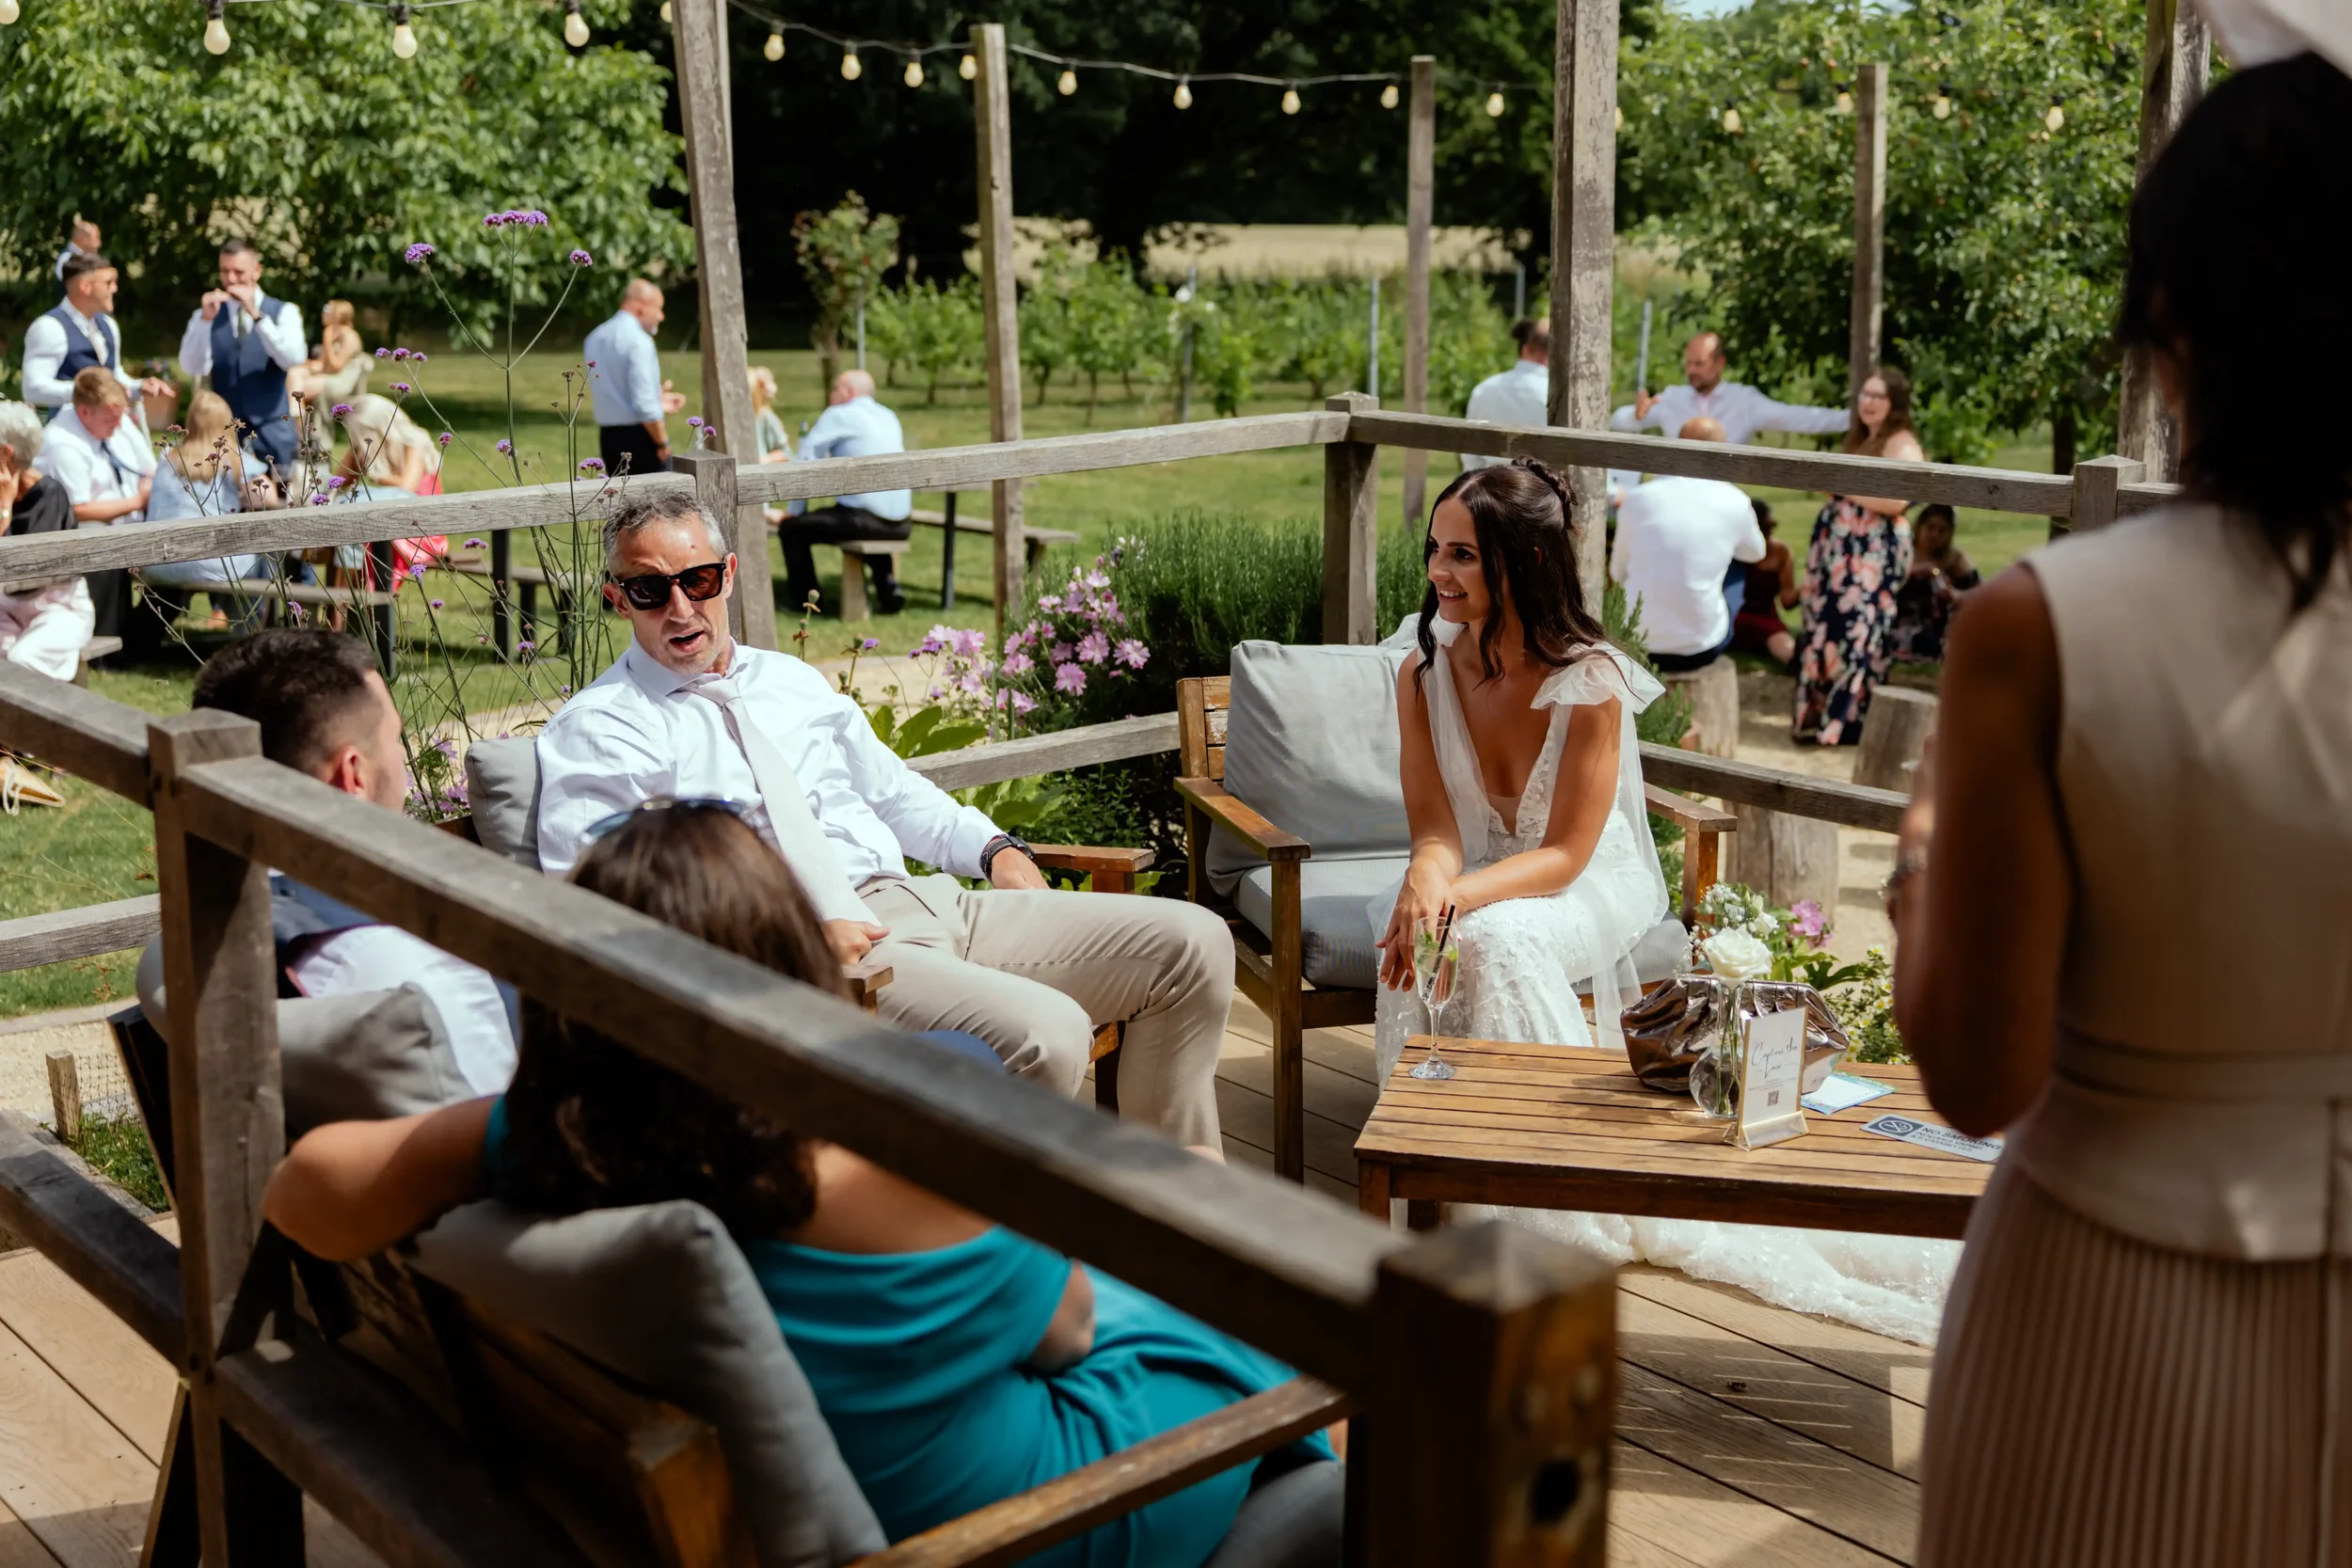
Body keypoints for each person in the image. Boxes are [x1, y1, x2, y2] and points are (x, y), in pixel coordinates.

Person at [258, 804, 1336, 1562]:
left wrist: (480, 1130)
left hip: (819, 1484)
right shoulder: (910, 1165)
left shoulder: (566, 1143)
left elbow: (304, 1188)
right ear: (787, 974)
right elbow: (1065, 1328)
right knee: (1256, 1285)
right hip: (1040, 1521)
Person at [1898, 44, 2352, 1563]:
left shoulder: (2040, 626)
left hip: (2114, 1298)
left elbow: (1975, 1071)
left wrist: (1916, 867)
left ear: (2172, 312)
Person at [1369, 457, 1953, 1342]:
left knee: (1496, 942)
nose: (1437, 574)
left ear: (1521, 562)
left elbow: (1565, 854)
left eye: (1462, 556)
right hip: (1487, 875)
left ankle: (1556, 1198)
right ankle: (1455, 1174)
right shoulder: (1420, 672)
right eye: (1434, 550)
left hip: (1585, 879)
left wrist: (1450, 897)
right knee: (1425, 941)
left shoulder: (1592, 680)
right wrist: (1425, 880)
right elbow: (1436, 831)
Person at [533, 490, 1233, 1148]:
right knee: (1046, 1033)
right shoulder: (603, 729)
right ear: (616, 597)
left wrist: (994, 849)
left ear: (731, 573)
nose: (681, 607)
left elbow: (892, 791)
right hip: (824, 960)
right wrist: (783, 934)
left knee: (1194, 942)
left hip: (930, 905)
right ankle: (1008, 1255)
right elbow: (601, 906)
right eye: (652, 590)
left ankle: (1181, 1207)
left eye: (700, 580)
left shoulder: (790, 681)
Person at [193, 629, 517, 1091]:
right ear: (354, 775)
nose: (402, 759)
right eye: (395, 739)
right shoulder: (421, 982)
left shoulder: (207, 925)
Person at [1789, 367, 1924, 744]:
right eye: (1865, 394)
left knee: (1860, 632)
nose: (1868, 402)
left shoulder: (1902, 443)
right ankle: (1819, 716)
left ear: (1894, 402)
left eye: (1877, 396)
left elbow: (1898, 500)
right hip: (1839, 558)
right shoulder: (1862, 439)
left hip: (1871, 559)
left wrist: (1842, 486)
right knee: (1827, 628)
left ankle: (1844, 721)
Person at [1606, 417, 1765, 672]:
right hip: (1699, 649)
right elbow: (1757, 553)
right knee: (1738, 561)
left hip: (1637, 640)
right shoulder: (1735, 500)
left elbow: (1617, 572)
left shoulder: (1639, 498)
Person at [781, 369, 913, 617]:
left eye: (835, 388)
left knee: (792, 530)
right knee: (866, 510)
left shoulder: (839, 414)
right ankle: (888, 588)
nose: (831, 394)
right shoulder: (888, 415)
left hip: (864, 520)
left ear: (848, 392)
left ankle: (806, 602)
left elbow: (805, 463)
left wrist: (794, 512)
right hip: (902, 523)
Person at [40, 367, 156, 641]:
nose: (117, 427)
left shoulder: (117, 421)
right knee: (98, 537)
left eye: (119, 418)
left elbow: (149, 468)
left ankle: (142, 635)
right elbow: (79, 508)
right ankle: (105, 637)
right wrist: (137, 501)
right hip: (88, 530)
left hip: (132, 521)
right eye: (110, 420)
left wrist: (148, 487)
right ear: (84, 413)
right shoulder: (62, 444)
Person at [140, 390, 271, 633]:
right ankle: (250, 631)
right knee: (264, 550)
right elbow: (268, 497)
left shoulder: (167, 457)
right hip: (212, 563)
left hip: (160, 560)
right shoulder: (233, 457)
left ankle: (146, 634)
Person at [176, 237, 306, 476]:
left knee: (284, 502)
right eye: (225, 271)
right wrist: (205, 322)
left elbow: (293, 358)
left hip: (273, 427)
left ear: (256, 271)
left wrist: (258, 317)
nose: (231, 279)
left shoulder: (284, 312)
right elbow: (192, 366)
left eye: (238, 272)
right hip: (224, 432)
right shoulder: (207, 314)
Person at [1610, 333, 1851, 446]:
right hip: (1674, 493)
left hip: (1721, 499)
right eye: (1688, 363)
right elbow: (1618, 422)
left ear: (1720, 363)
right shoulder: (1673, 397)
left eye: (1700, 363)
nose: (1692, 370)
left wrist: (1853, 418)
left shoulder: (1744, 401)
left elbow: (1797, 418)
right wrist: (1635, 414)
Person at [0, 400, 92, 683]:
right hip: (7, 610)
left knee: (19, 664)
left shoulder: (49, 497)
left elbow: (19, 575)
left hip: (58, 611)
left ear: (5, 453)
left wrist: (4, 504)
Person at [23, 253, 171, 421]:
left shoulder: (108, 324)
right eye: (108, 283)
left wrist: (139, 387)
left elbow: (114, 375)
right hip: (69, 430)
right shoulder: (50, 327)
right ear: (85, 286)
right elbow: (33, 389)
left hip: (109, 427)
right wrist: (89, 392)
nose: (114, 289)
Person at [582, 279, 686, 477]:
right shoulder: (639, 341)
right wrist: (662, 442)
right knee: (660, 505)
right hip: (641, 440)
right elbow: (644, 408)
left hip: (608, 438)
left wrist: (658, 401)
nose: (661, 317)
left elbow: (614, 391)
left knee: (622, 502)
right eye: (659, 309)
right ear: (642, 306)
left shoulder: (595, 337)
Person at [1884, 503, 1979, 663]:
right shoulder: (1903, 553)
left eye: (1942, 530)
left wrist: (1955, 595)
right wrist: (1913, 572)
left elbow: (1980, 594)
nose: (1935, 534)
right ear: (1920, 526)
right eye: (1930, 527)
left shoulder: (1956, 560)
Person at [1458, 318, 1550, 470]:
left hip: (1489, 486)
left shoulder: (1484, 389)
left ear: (1525, 349)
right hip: (1543, 489)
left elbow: (1470, 457)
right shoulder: (1554, 395)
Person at [1726, 499, 1799, 665]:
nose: (1768, 533)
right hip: (1734, 613)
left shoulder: (1781, 552)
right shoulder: (1731, 548)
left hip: (1765, 615)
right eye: (1764, 528)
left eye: (1771, 526)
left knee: (1778, 638)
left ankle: (1796, 659)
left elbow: (1787, 601)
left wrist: (1809, 587)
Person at [291, 299, 370, 412]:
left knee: (296, 391)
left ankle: (298, 423)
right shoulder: (332, 333)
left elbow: (336, 367)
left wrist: (327, 341)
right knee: (294, 375)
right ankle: (297, 420)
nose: (323, 313)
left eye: (327, 310)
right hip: (328, 376)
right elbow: (322, 364)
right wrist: (305, 365)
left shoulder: (349, 336)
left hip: (341, 381)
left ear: (337, 315)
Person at [53, 218, 101, 291]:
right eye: (96, 239)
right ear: (85, 240)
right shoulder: (66, 259)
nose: (99, 244)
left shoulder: (83, 258)